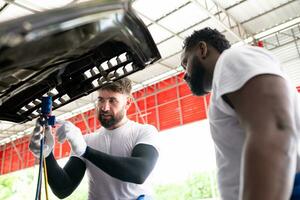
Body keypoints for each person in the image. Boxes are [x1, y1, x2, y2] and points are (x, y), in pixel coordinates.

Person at [181, 27, 300, 200]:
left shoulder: (232, 59)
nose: (185, 75)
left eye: (186, 63)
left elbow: (276, 129)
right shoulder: (225, 83)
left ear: (202, 49)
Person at [29, 78, 159, 200]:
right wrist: (47, 155)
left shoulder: (144, 131)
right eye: (101, 100)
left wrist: (86, 151)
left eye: (112, 100)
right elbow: (63, 189)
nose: (104, 107)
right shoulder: (86, 141)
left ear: (128, 102)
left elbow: (139, 173)